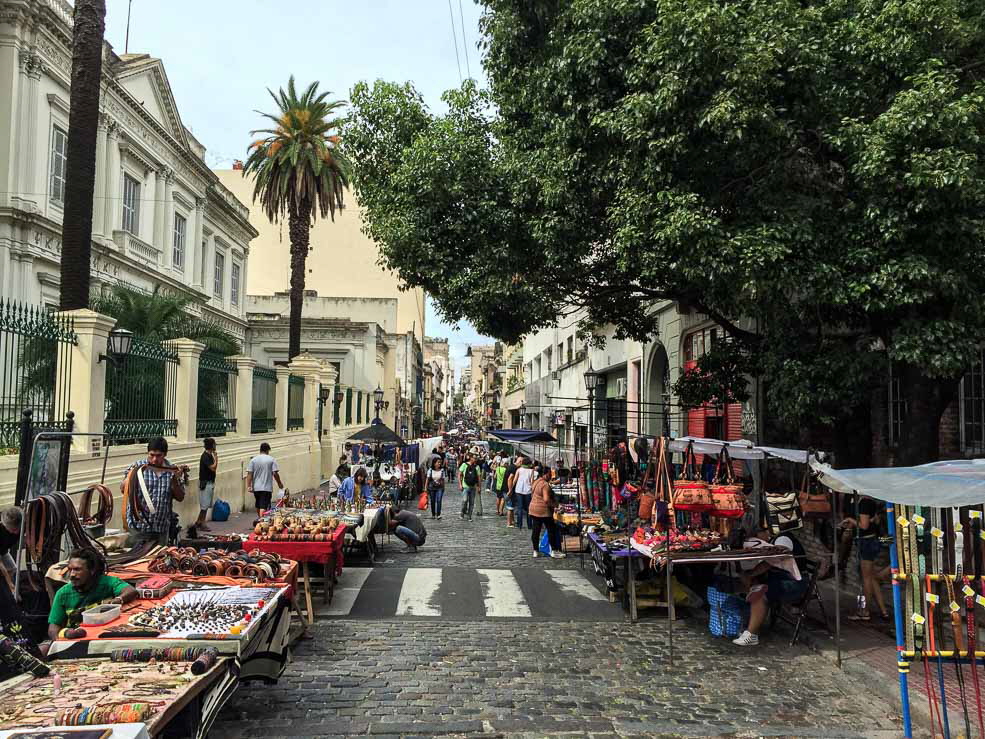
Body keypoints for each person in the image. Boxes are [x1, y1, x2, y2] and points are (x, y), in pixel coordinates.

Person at [732, 528, 809, 647]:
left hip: (793, 583)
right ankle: (750, 623)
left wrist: (751, 574)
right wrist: (750, 575)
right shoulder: (774, 539)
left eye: (758, 536)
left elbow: (773, 560)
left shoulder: (783, 539)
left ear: (765, 532)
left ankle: (751, 635)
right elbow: (768, 562)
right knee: (753, 584)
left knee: (759, 593)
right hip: (781, 579)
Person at [47, 548, 137, 640]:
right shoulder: (63, 593)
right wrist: (60, 641)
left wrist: (118, 600)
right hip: (76, 640)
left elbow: (131, 591)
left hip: (104, 636)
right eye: (70, 569)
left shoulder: (107, 582)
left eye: (77, 569)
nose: (72, 574)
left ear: (92, 570)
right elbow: (53, 629)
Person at [122, 437, 187, 545]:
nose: (154, 459)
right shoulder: (137, 467)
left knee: (159, 556)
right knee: (136, 555)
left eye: (158, 455)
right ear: (147, 453)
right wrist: (130, 477)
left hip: (161, 529)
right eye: (151, 455)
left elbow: (180, 497)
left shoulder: (171, 471)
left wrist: (175, 479)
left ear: (165, 454)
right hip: (138, 527)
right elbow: (123, 489)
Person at [843, 495, 891, 621]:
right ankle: (883, 611)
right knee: (871, 578)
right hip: (869, 542)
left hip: (867, 543)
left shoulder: (864, 503)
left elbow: (864, 526)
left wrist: (850, 520)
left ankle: (864, 611)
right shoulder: (868, 501)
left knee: (866, 580)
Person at [529, 470, 565, 558]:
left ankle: (535, 551)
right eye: (549, 474)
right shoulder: (545, 485)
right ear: (545, 474)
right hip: (543, 510)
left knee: (536, 530)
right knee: (551, 529)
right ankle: (554, 550)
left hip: (533, 508)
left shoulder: (536, 482)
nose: (551, 476)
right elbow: (546, 499)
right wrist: (555, 506)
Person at [246, 442, 285, 516]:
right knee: (263, 506)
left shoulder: (253, 460)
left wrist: (248, 486)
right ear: (268, 450)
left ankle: (260, 519)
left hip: (256, 488)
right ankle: (261, 520)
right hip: (266, 488)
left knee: (258, 505)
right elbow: (275, 473)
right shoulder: (271, 459)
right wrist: (279, 483)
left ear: (260, 450)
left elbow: (249, 474)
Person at [195, 437, 218, 531]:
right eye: (214, 444)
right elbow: (213, 468)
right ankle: (203, 523)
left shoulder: (209, 455)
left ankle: (198, 522)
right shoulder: (205, 456)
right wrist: (216, 459)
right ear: (211, 445)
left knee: (206, 504)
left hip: (209, 482)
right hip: (205, 483)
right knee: (204, 505)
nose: (215, 446)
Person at [511, 457, 536, 530]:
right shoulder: (531, 471)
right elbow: (532, 482)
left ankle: (519, 524)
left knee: (520, 508)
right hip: (528, 491)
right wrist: (533, 491)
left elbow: (514, 480)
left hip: (519, 490)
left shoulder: (519, 470)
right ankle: (529, 525)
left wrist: (511, 489)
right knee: (528, 508)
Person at [0, 507, 22, 591]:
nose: (16, 532)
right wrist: (10, 584)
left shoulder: (20, 523)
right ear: (4, 525)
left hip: (3, 550)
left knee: (13, 569)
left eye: (18, 529)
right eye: (13, 530)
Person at [460, 454, 481, 521]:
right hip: (465, 486)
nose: (475, 459)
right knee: (465, 500)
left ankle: (469, 516)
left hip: (473, 487)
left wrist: (479, 487)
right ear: (470, 458)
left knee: (471, 502)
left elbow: (479, 478)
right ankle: (462, 512)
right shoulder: (464, 465)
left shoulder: (477, 467)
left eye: (476, 458)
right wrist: (460, 484)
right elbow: (460, 474)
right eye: (474, 458)